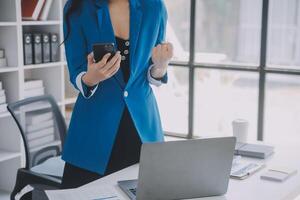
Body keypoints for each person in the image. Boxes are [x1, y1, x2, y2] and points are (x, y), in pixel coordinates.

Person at [61, 0, 173, 188]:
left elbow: (151, 72)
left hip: (141, 129)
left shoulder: (154, 7)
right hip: (93, 131)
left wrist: (161, 66)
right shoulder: (79, 8)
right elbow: (76, 71)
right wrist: (91, 78)